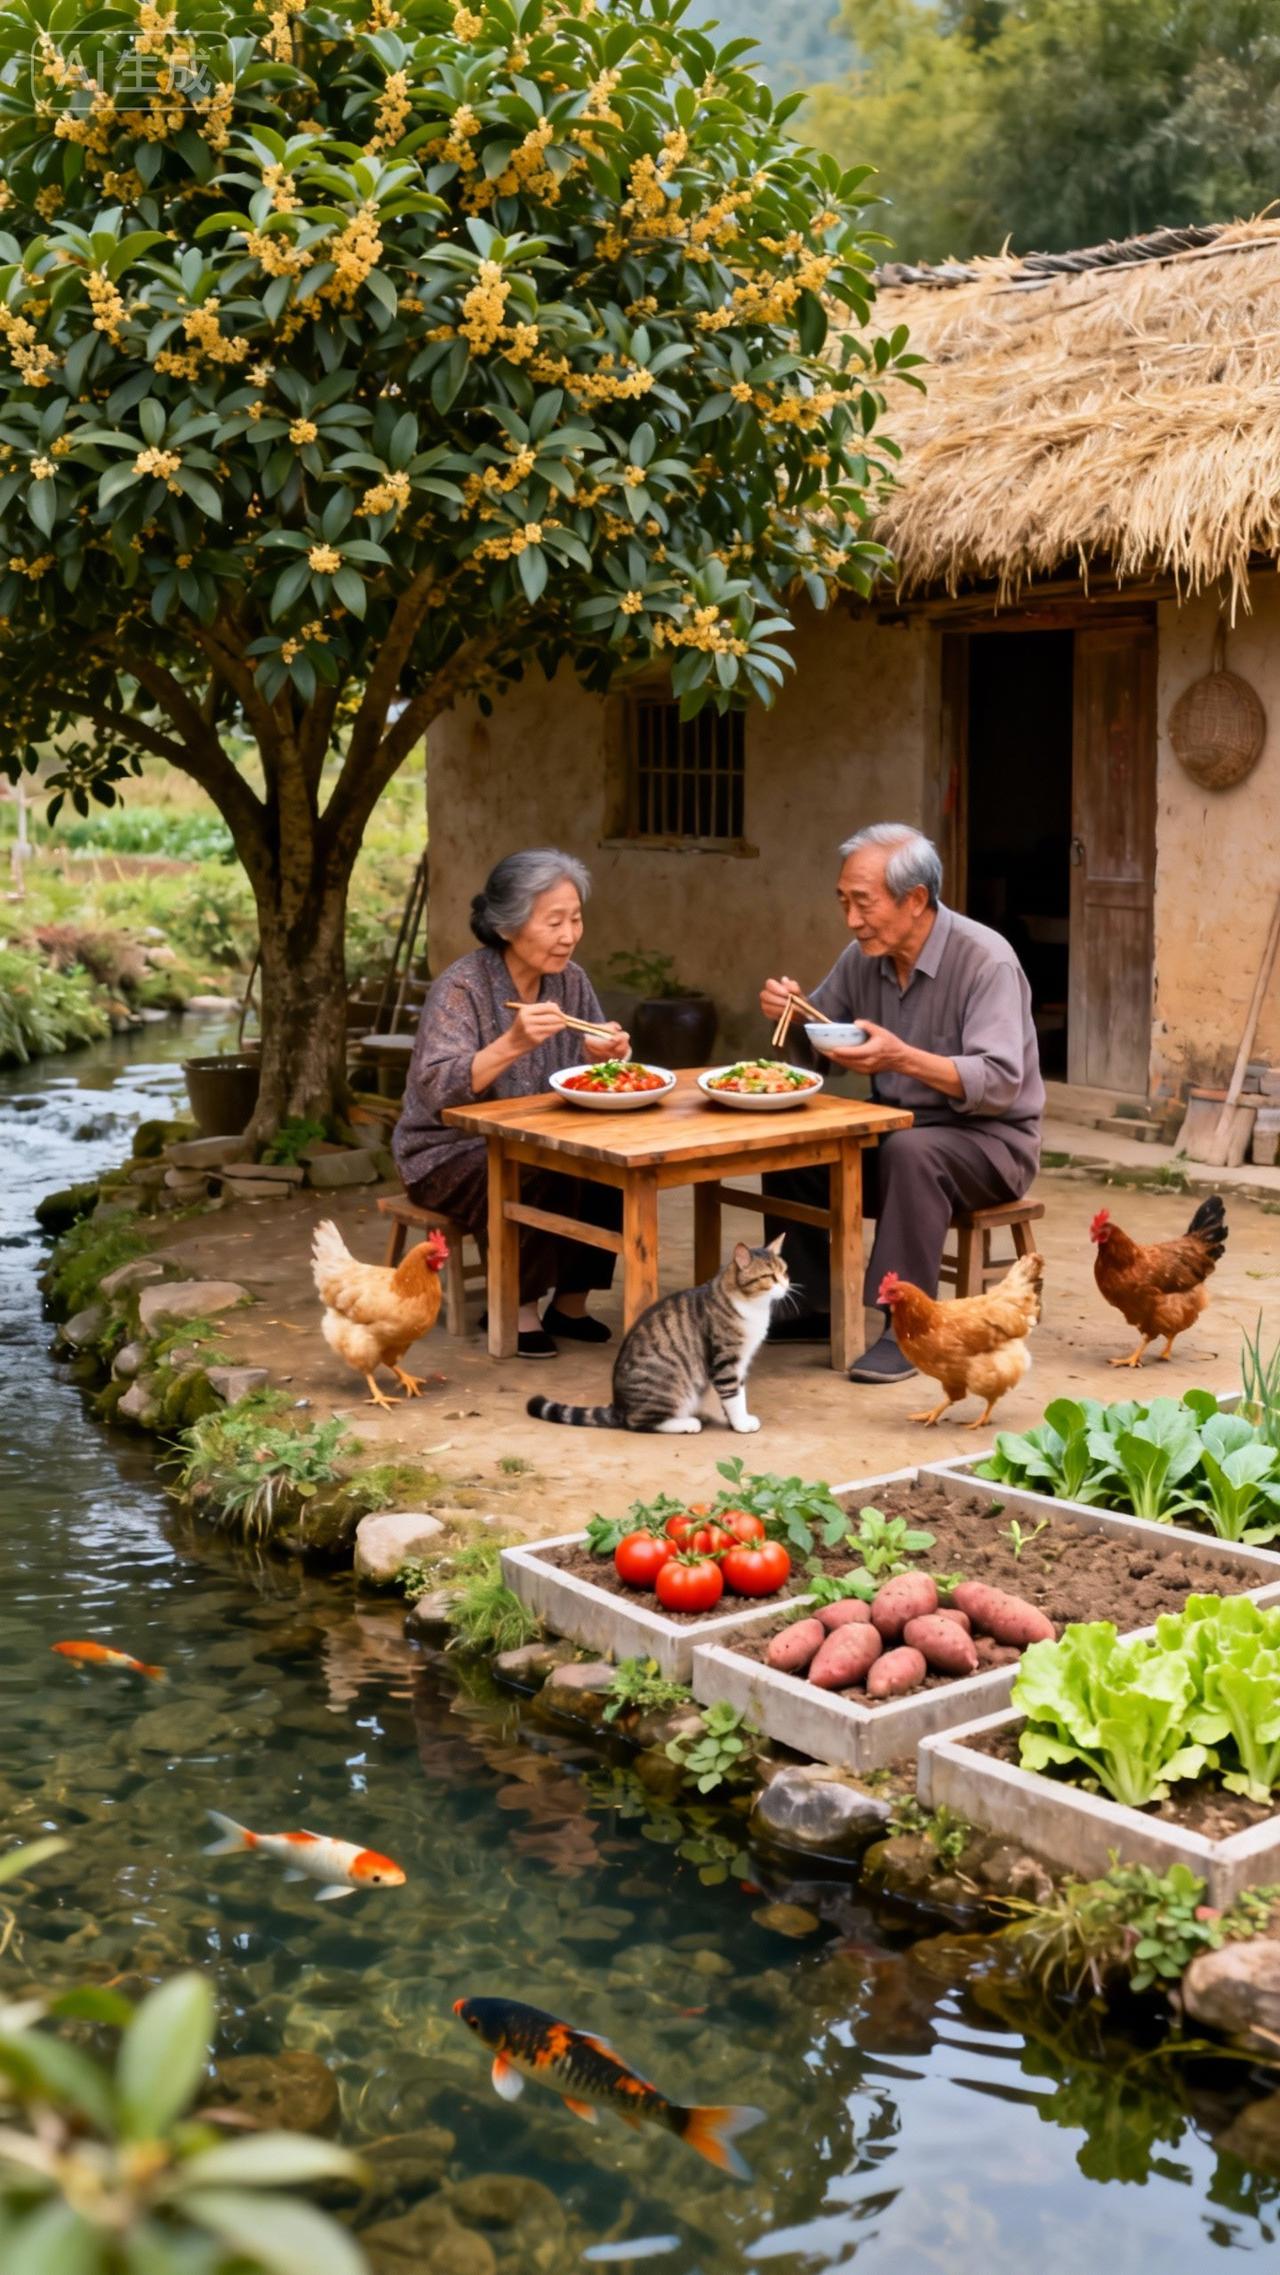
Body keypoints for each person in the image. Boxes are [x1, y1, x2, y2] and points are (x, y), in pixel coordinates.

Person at [760, 823, 1044, 1385]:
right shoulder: (865, 955)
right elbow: (820, 1046)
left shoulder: (987, 961)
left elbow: (1002, 1080)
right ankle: (812, 1304)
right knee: (797, 1144)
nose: (851, 919)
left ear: (915, 900)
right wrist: (792, 1013)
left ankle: (906, 1327)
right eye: (844, 902)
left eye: (863, 903)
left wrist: (902, 1059)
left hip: (991, 1142)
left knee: (913, 1152)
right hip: (899, 1131)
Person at [393, 849, 630, 1359]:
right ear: (507, 926)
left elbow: (586, 1073)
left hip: (540, 1132)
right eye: (554, 922)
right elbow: (436, 1089)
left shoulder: (571, 982)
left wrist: (602, 1054)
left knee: (611, 1164)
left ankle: (570, 1304)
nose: (569, 934)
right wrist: (511, 1044)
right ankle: (516, 1304)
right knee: (530, 1170)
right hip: (447, 1150)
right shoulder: (462, 987)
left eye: (576, 919)